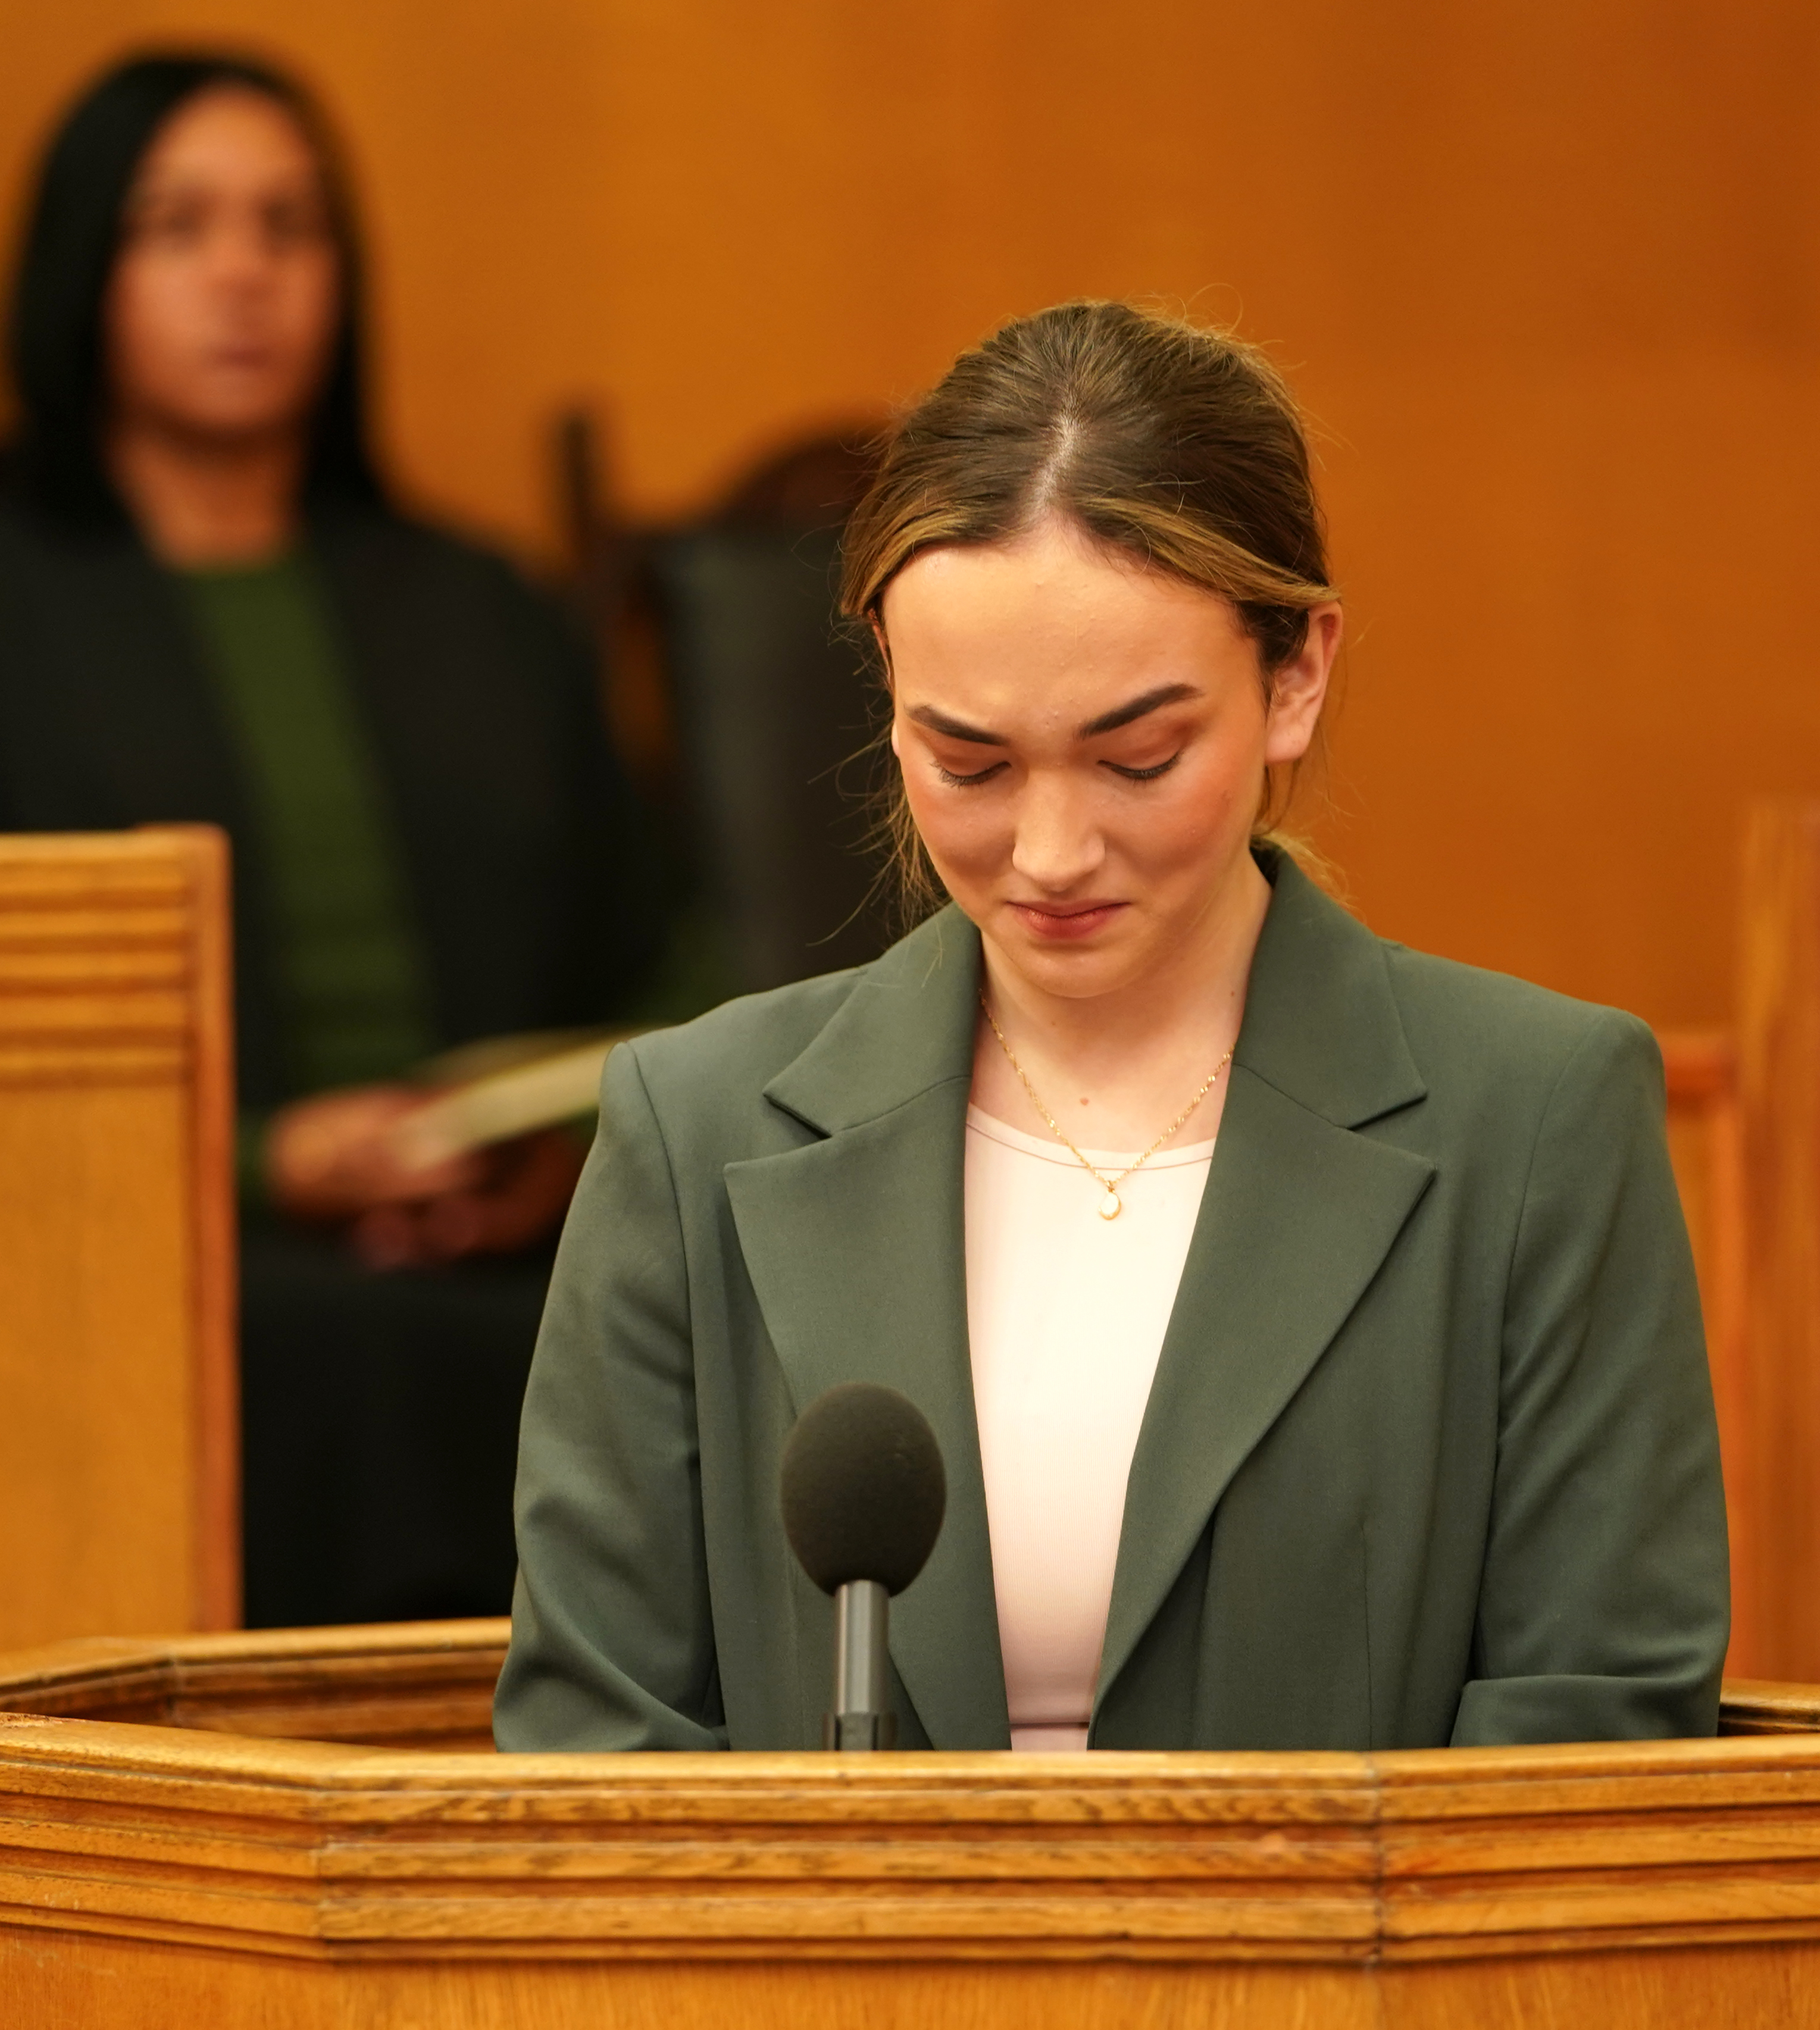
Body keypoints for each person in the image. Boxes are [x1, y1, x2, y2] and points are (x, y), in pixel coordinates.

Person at [496, 301, 1727, 1753]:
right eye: (969, 762)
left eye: (1137, 756)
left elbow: (1591, 1739)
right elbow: (596, 1759)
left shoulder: (1535, 1118)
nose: (1053, 848)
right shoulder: (691, 1128)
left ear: (1295, 674)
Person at [0, 52, 659, 1625]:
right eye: (176, 226)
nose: (244, 273)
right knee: (340, 1349)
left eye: (289, 224)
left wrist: (553, 1157)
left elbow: (666, 950)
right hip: (151, 1269)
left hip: (523, 1241)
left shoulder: (484, 607)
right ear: (82, 272)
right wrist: (268, 1158)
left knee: (672, 1319)